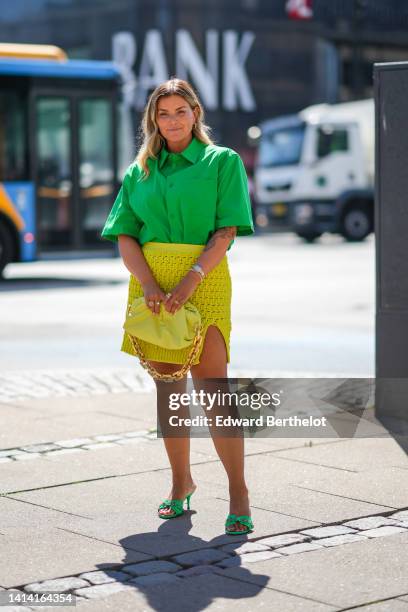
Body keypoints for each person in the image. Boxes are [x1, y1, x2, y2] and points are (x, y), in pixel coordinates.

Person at [101, 77, 255, 535]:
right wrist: (147, 282)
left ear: (196, 114)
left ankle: (239, 491)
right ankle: (180, 483)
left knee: (213, 391)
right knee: (169, 391)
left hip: (203, 280)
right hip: (150, 286)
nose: (172, 121)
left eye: (180, 112)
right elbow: (125, 233)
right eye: (163, 113)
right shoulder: (139, 172)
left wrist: (191, 279)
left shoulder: (222, 162)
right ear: (153, 119)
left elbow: (225, 231)